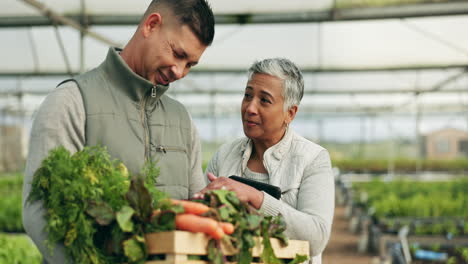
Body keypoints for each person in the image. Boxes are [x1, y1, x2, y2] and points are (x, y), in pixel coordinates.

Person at [22, 0, 215, 262]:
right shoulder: (72, 101)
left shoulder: (182, 120)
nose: (180, 72)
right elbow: (40, 212)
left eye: (190, 64)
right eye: (178, 54)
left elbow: (195, 213)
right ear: (151, 25)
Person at [198, 58, 334, 264]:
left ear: (290, 113)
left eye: (264, 100)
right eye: (247, 95)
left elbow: (317, 238)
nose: (250, 108)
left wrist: (257, 198)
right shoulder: (224, 155)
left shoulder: (312, 159)